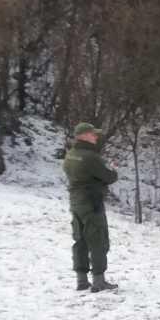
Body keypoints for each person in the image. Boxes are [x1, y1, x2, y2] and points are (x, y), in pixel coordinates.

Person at [63, 122, 119, 292]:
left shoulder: (70, 154)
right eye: (92, 134)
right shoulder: (91, 157)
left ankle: (81, 280)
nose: (95, 137)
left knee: (80, 240)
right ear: (83, 135)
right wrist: (113, 170)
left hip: (76, 201)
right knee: (98, 240)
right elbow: (108, 177)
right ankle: (99, 281)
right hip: (92, 202)